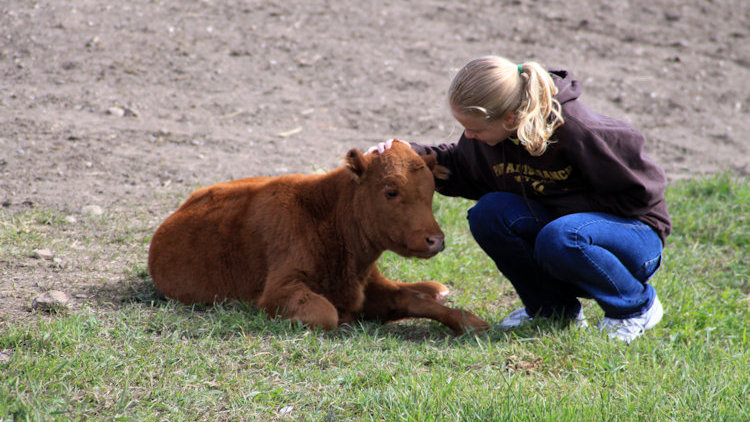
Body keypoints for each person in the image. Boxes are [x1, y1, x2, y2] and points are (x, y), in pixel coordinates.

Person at [370, 55, 671, 342]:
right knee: (489, 214)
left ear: (510, 117)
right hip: (566, 233)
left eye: (475, 129)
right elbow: (462, 165)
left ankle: (635, 307)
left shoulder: (578, 130)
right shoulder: (494, 135)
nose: (469, 136)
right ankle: (552, 310)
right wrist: (408, 155)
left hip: (635, 238)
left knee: (562, 236)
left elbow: (645, 190)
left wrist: (570, 216)